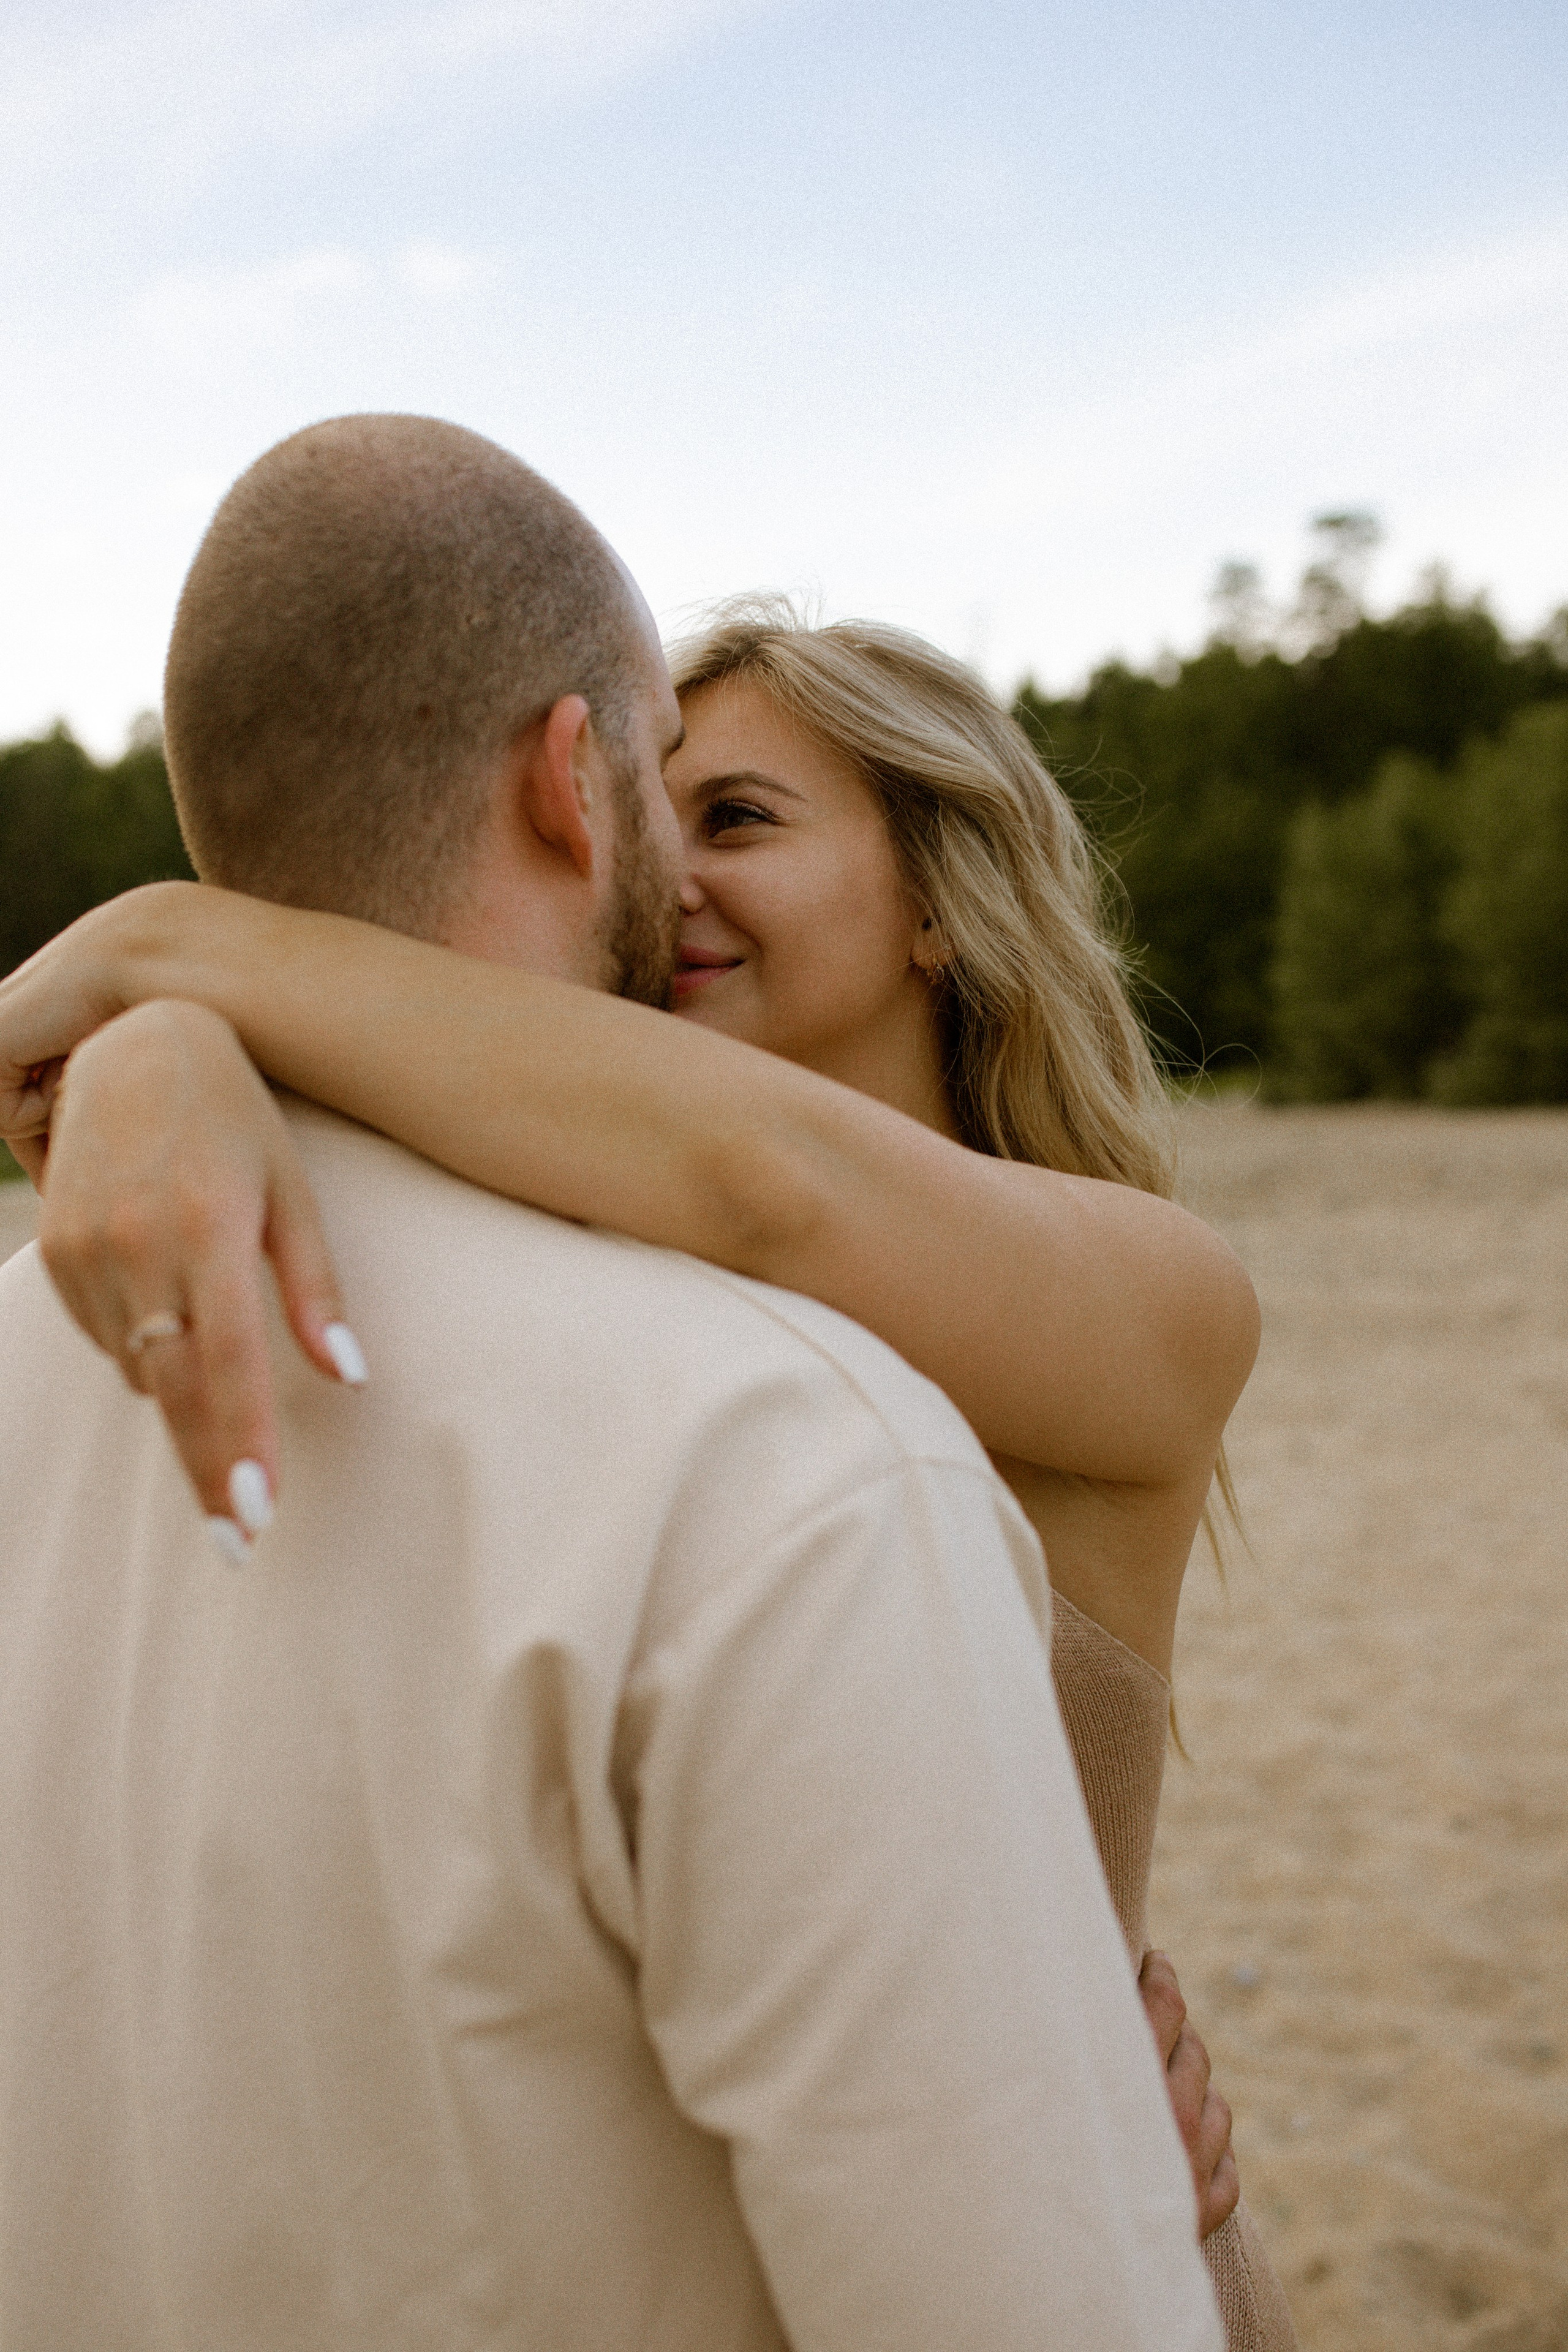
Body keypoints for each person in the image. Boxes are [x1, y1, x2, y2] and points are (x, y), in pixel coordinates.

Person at [0, 413, 1224, 2350]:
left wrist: (177, 946)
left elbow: (769, 1183)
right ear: (584, 799)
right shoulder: (634, 1287)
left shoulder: (1151, 1298)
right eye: (666, 805)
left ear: (932, 894)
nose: (681, 863)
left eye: (738, 815)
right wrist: (176, 1048)